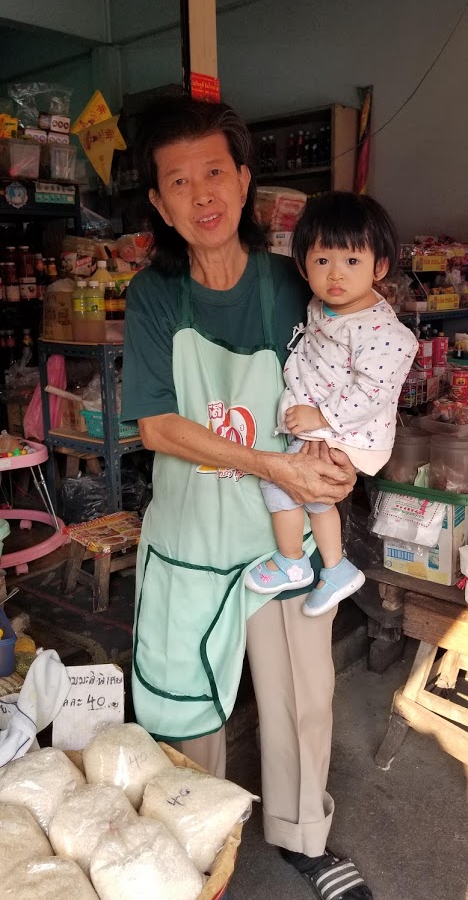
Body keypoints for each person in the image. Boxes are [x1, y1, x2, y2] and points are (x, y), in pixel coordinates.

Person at [122, 94, 374, 899]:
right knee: (182, 703)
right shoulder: (153, 296)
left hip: (282, 542)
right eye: (179, 181)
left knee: (305, 696)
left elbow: (351, 380)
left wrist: (342, 462)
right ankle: (189, 850)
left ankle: (304, 837)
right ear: (160, 203)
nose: (201, 194)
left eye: (214, 173)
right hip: (193, 539)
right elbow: (157, 426)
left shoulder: (289, 283)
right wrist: (273, 464)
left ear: (242, 179)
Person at [245, 192, 418, 616]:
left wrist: (319, 415)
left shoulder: (381, 330)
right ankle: (336, 568)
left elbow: (373, 390)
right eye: (322, 260)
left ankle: (292, 561)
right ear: (303, 266)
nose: (335, 274)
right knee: (316, 496)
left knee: (280, 482)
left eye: (352, 261)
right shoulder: (328, 308)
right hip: (328, 426)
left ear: (379, 266)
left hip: (348, 430)